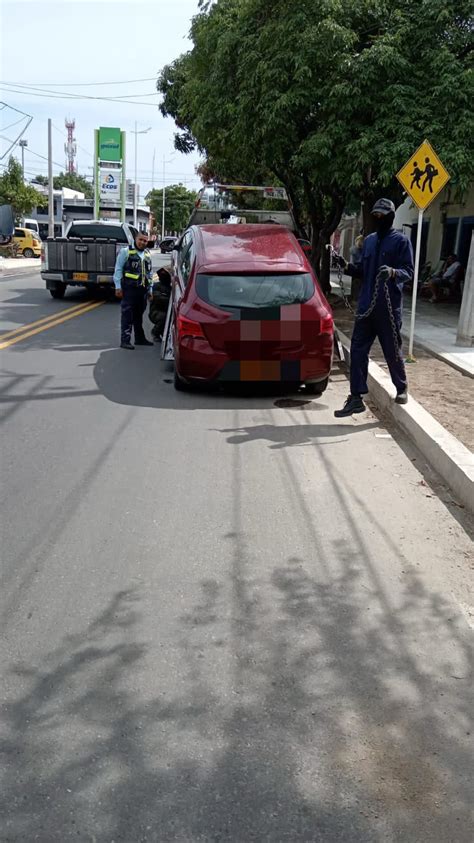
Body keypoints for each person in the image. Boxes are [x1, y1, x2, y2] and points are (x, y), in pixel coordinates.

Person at [334, 198, 414, 417]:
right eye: (375, 215)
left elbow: (409, 271)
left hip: (388, 309)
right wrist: (346, 266)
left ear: (390, 216)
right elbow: (362, 270)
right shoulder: (368, 241)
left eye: (382, 215)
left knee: (391, 351)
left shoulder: (401, 241)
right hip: (366, 306)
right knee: (358, 351)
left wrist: (393, 273)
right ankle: (356, 397)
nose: (379, 218)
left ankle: (401, 387)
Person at [114, 232, 154, 349]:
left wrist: (150, 289)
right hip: (129, 289)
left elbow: (149, 273)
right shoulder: (125, 252)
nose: (142, 243)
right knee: (127, 315)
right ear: (136, 239)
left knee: (139, 315)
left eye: (145, 241)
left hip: (142, 290)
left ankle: (139, 338)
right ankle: (125, 340)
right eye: (140, 240)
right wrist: (118, 286)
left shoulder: (147, 254)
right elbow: (118, 269)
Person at [149, 266, 172, 341]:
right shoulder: (156, 286)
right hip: (156, 311)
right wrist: (170, 299)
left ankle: (163, 332)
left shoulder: (171, 288)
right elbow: (158, 298)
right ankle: (155, 332)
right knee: (163, 317)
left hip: (167, 311)